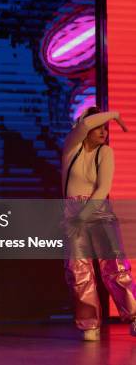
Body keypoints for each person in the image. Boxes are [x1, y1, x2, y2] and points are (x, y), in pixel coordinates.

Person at [61, 106, 136, 340]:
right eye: (99, 127)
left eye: (106, 128)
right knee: (78, 269)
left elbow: (103, 188)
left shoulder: (105, 152)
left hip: (98, 207)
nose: (104, 132)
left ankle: (134, 317)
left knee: (114, 266)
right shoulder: (72, 148)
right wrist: (115, 114)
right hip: (72, 208)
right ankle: (89, 323)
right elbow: (82, 126)